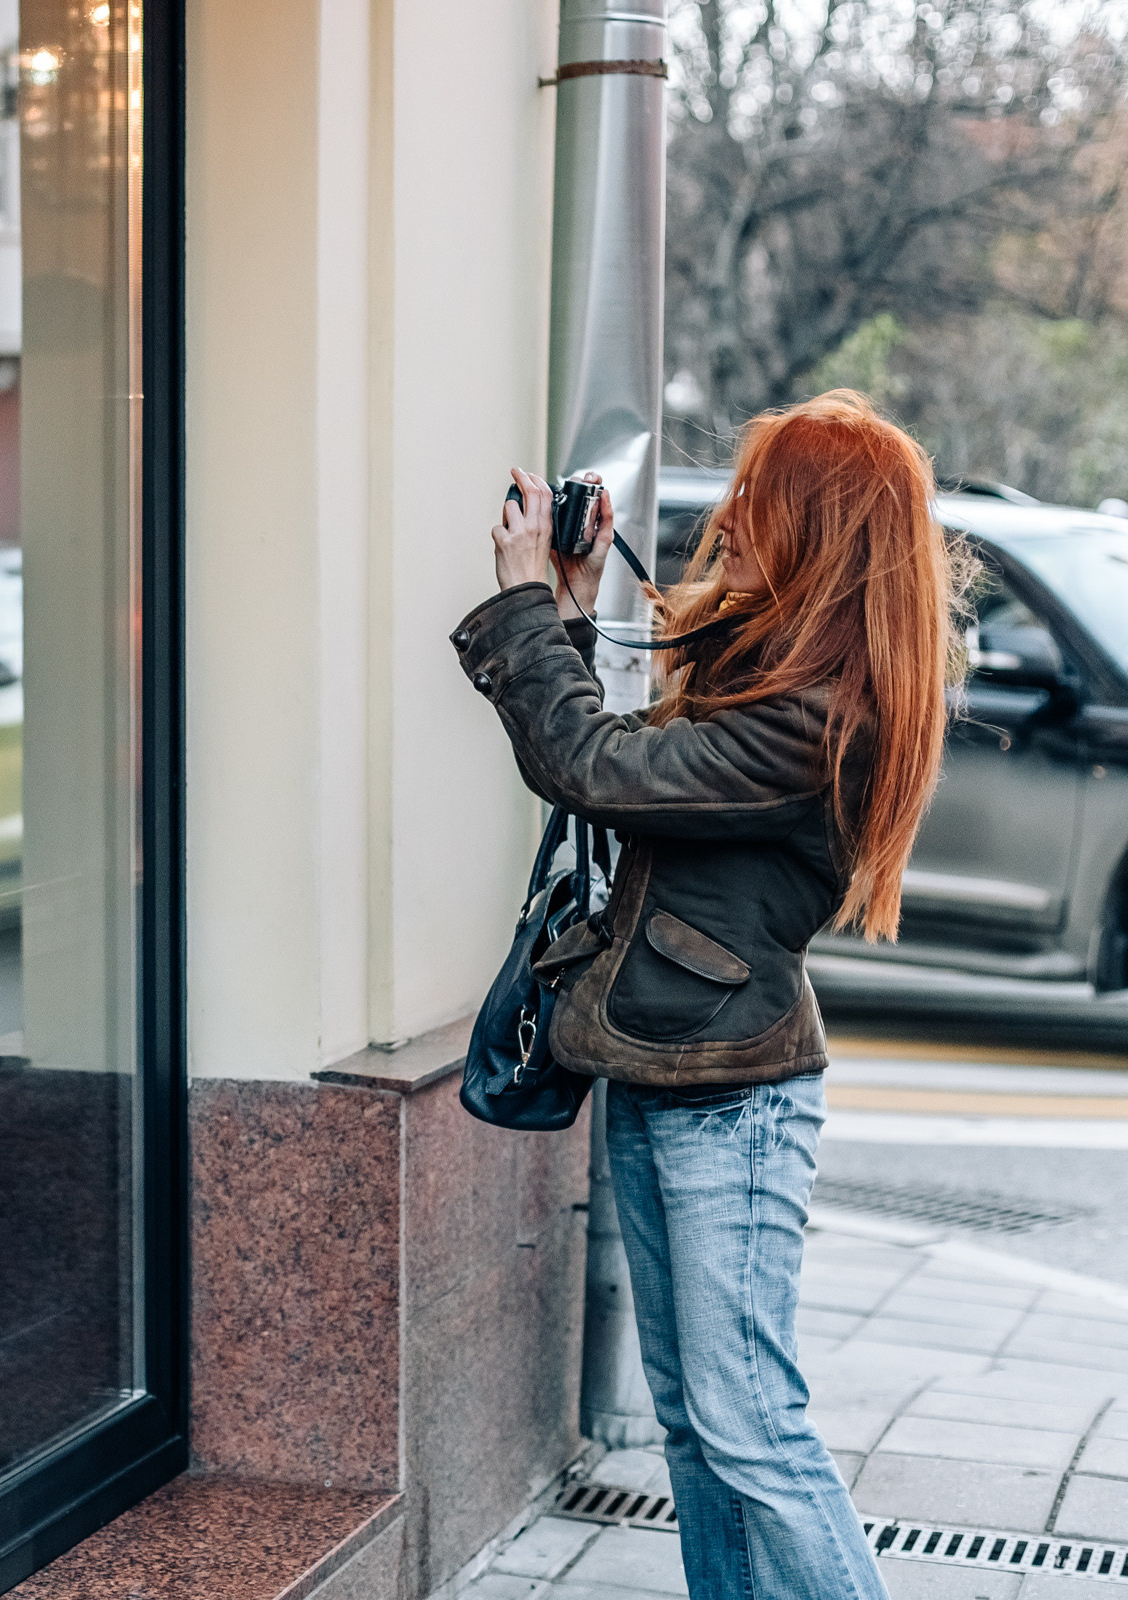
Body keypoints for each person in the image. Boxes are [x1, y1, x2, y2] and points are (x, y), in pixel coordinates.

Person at [453, 390, 960, 1600]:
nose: (728, 510)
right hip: (665, 1063)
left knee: (751, 1427)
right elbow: (620, 775)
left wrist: (527, 603)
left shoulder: (817, 720)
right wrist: (573, 611)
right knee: (693, 1423)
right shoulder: (774, 676)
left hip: (733, 1101)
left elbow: (598, 766)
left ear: (816, 529)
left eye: (757, 495)